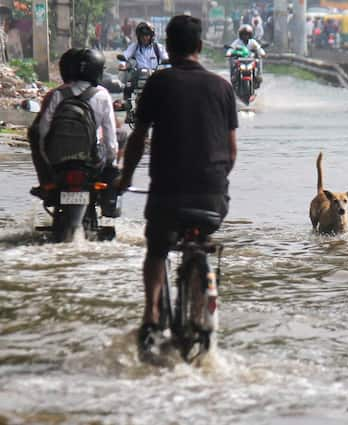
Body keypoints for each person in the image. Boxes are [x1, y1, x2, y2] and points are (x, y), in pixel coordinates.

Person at [116, 15, 238, 354]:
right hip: (212, 197)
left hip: (168, 196)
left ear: (167, 47)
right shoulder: (223, 87)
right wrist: (216, 181)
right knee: (202, 236)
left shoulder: (158, 83)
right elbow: (231, 152)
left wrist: (125, 179)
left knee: (156, 249)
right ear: (200, 47)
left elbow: (138, 140)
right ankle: (202, 299)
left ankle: (152, 313)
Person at [29, 48, 118, 198]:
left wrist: (46, 160)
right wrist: (111, 165)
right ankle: (109, 197)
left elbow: (43, 131)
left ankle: (47, 186)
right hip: (91, 160)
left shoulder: (57, 94)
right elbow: (110, 137)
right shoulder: (102, 95)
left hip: (57, 160)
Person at [122, 22, 169, 102]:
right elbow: (125, 55)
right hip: (137, 76)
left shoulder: (158, 47)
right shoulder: (135, 46)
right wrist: (122, 64)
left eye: (147, 35)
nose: (144, 38)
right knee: (127, 86)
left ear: (151, 36)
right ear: (138, 36)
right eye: (142, 35)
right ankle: (128, 108)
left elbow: (166, 59)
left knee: (168, 88)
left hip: (154, 76)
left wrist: (168, 67)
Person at [227, 24, 267, 88]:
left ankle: (259, 75)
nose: (245, 36)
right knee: (232, 60)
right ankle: (233, 76)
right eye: (243, 34)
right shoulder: (237, 42)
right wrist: (229, 53)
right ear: (241, 35)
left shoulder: (253, 42)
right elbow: (231, 48)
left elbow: (259, 48)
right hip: (240, 60)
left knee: (259, 60)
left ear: (250, 35)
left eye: (247, 34)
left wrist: (262, 53)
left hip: (251, 60)